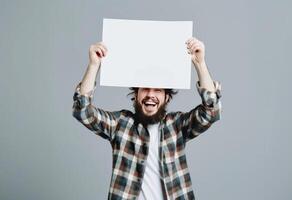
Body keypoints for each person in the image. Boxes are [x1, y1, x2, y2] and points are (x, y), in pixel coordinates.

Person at [72, 37, 222, 200]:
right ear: (136, 95)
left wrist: (200, 64)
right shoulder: (120, 124)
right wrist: (94, 65)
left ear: (166, 97)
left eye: (158, 90)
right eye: (145, 89)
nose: (151, 95)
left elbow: (210, 111)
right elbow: (83, 111)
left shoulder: (177, 125)